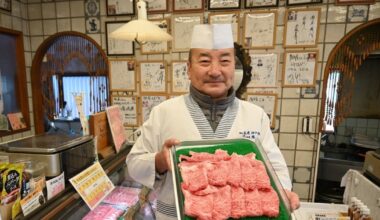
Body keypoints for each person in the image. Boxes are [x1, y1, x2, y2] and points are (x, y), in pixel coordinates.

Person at [126, 24, 300, 219]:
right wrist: (159, 161)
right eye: (204, 61)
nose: (215, 71)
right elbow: (133, 164)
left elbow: (275, 167)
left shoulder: (255, 115)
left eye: (225, 61)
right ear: (189, 69)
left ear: (234, 68)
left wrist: (283, 191)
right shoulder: (164, 113)